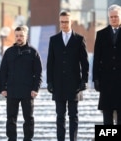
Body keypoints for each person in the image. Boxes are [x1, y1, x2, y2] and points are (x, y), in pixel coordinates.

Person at [46, 11, 89, 141]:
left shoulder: (79, 39)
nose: (64, 24)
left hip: (74, 84)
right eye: (62, 22)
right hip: (58, 84)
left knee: (73, 115)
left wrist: (84, 81)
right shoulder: (53, 40)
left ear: (71, 22)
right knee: (60, 116)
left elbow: (85, 63)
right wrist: (49, 82)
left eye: (66, 21)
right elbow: (50, 63)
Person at [0, 25, 42, 141]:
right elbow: (3, 72)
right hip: (12, 91)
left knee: (28, 118)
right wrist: (3, 88)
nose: (19, 38)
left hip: (28, 91)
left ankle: (28, 139)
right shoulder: (9, 52)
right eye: (17, 36)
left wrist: (35, 89)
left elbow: (38, 73)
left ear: (26, 36)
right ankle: (11, 139)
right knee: (11, 118)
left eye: (21, 36)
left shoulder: (33, 52)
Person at [92, 4, 121, 125]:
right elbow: (96, 59)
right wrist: (96, 79)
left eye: (116, 16)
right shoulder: (101, 34)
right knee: (107, 117)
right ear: (109, 18)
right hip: (106, 81)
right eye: (111, 17)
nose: (114, 19)